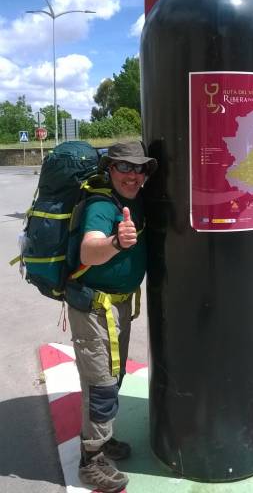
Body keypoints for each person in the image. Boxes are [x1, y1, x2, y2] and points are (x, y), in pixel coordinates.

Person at [67, 140, 157, 493]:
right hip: (94, 308)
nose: (132, 175)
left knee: (112, 377)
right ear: (110, 169)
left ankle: (102, 441)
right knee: (101, 385)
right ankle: (91, 460)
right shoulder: (102, 206)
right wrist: (116, 242)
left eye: (139, 169)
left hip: (117, 306)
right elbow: (90, 247)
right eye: (124, 168)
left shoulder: (135, 202)